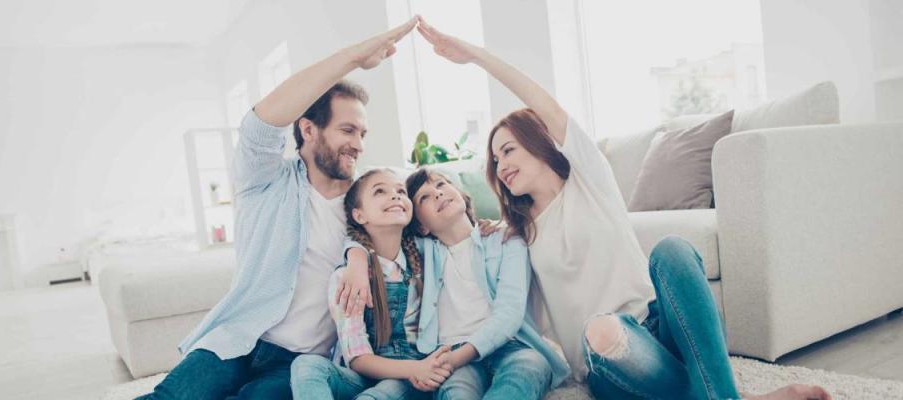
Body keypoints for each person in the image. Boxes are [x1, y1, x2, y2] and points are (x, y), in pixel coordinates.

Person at [342, 17, 832, 400]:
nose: (501, 163)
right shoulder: (514, 234)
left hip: (661, 327)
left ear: (540, 143)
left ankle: (723, 395)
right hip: (609, 358)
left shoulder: (590, 181)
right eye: (495, 158)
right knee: (603, 329)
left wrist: (472, 56)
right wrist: (358, 255)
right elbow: (423, 252)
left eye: (510, 149)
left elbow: (540, 99)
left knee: (675, 252)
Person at [136, 16, 420, 400]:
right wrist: (352, 58)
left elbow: (421, 213)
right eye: (348, 131)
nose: (359, 144)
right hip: (240, 336)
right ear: (308, 129)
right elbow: (258, 126)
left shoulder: (367, 199)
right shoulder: (265, 178)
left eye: (363, 133)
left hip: (302, 359)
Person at [405, 168, 570, 399]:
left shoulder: (506, 240)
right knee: (455, 393)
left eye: (441, 184)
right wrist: (356, 256)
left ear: (461, 195)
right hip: (451, 350)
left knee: (529, 367)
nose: (437, 193)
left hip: (510, 345)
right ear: (421, 226)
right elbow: (373, 234)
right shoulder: (421, 255)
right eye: (424, 197)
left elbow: (509, 312)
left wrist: (458, 358)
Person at [290, 168, 450, 400]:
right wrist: (356, 256)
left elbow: (457, 234)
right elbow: (358, 359)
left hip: (411, 378)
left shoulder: (427, 257)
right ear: (359, 215)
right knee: (306, 365)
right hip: (369, 376)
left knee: (382, 394)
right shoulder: (347, 278)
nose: (395, 196)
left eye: (400, 191)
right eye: (380, 192)